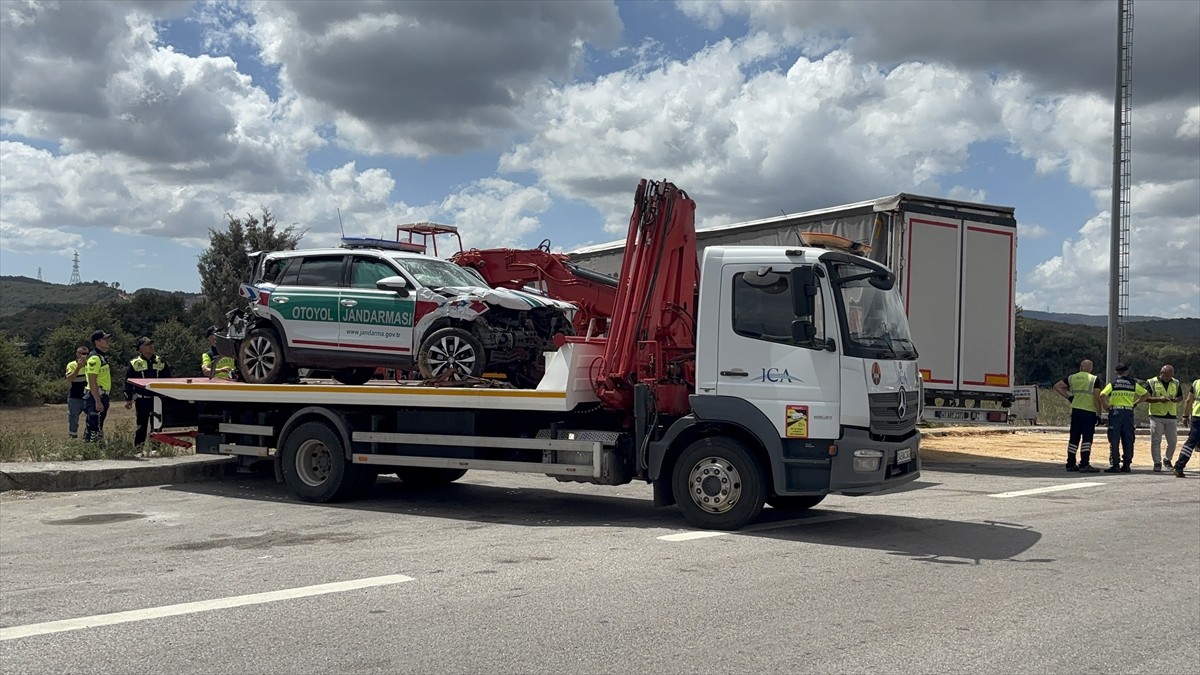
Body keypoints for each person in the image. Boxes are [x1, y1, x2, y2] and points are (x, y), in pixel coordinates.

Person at [1053, 359, 1103, 472]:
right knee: (1087, 439)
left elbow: (1057, 386)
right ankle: (1084, 463)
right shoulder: (1094, 379)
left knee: (1074, 438)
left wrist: (1069, 397)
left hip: (1076, 411)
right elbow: (1097, 398)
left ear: (1080, 367)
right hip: (1088, 412)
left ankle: (1070, 463)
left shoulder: (1072, 377)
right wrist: (1099, 414)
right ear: (1091, 368)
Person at [1099, 363, 1148, 473]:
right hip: (1128, 412)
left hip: (1115, 412)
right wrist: (1135, 403)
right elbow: (1146, 394)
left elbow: (1102, 395)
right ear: (1127, 371)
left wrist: (1105, 405)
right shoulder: (1133, 384)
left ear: (1116, 372)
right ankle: (1126, 464)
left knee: (1114, 439)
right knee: (1128, 439)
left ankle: (1115, 464)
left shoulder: (1113, 384)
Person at [124, 337, 172, 448]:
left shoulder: (161, 361)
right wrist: (128, 398)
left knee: (157, 425)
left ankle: (157, 448)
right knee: (141, 425)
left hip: (158, 399)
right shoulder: (134, 363)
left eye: (152, 344)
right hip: (142, 399)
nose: (151, 346)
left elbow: (168, 379)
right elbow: (128, 382)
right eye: (147, 344)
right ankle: (138, 449)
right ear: (140, 348)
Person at [1144, 364, 1184, 472]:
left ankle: (1167, 459)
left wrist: (1177, 399)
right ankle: (1157, 462)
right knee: (1156, 440)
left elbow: (1181, 396)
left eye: (1170, 375)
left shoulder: (1175, 382)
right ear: (1161, 373)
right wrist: (1158, 399)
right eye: (1166, 375)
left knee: (1173, 441)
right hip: (1156, 415)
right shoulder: (1151, 382)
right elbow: (1146, 398)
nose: (1168, 377)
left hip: (1171, 415)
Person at [83, 330, 112, 443]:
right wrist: (97, 401)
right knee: (93, 426)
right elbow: (92, 380)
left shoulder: (102, 357)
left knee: (98, 425)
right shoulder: (94, 358)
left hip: (102, 395)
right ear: (97, 342)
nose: (107, 341)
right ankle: (90, 449)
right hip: (96, 395)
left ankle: (96, 447)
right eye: (105, 339)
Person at [1171, 377, 1200, 478]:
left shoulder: (1196, 382)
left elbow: (1188, 401)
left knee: (1190, 442)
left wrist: (1185, 416)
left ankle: (1179, 466)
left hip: (1197, 417)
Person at [64, 345, 90, 438]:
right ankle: (73, 438)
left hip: (88, 396)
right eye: (82, 353)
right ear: (77, 354)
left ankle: (89, 437)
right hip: (75, 396)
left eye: (86, 353)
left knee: (92, 417)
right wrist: (78, 367)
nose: (84, 355)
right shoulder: (72, 365)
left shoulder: (91, 364)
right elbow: (69, 379)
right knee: (73, 418)